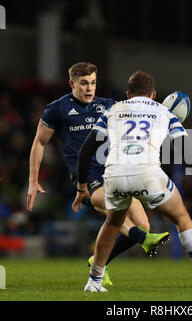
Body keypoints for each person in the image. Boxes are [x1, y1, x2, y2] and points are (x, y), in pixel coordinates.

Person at [72, 70, 192, 293]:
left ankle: (94, 282)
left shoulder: (113, 109)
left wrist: (82, 188)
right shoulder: (163, 112)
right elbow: (187, 153)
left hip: (114, 175)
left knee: (112, 223)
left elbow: (85, 153)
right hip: (147, 173)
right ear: (154, 94)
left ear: (128, 94)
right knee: (181, 217)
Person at [27, 62, 170, 287]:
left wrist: (162, 112)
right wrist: (33, 180)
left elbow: (139, 115)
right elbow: (40, 142)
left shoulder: (108, 106)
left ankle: (100, 261)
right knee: (115, 213)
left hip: (116, 173)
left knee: (144, 224)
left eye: (93, 83)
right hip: (87, 178)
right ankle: (143, 241)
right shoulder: (58, 109)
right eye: (83, 83)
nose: (89, 88)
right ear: (71, 84)